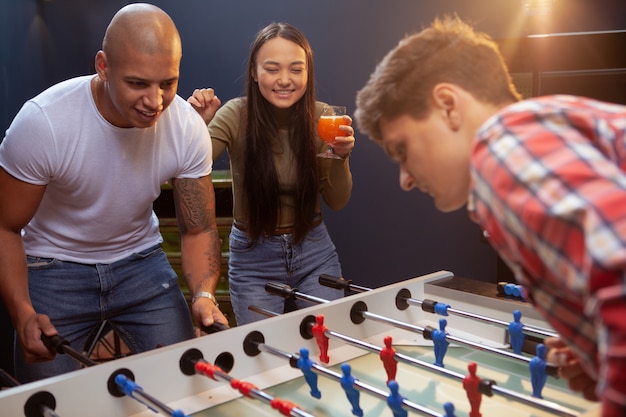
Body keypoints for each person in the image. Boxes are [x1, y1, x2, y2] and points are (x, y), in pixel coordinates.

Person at [354, 15, 626, 417]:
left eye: (402, 150)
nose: (405, 179)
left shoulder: (503, 157)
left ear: (448, 105)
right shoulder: (547, 122)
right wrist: (599, 343)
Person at [0, 3, 227, 383]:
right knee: (48, 401)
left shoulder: (186, 127)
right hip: (53, 266)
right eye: (138, 83)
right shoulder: (44, 123)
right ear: (103, 66)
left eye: (167, 84)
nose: (155, 102)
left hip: (140, 263)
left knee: (184, 382)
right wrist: (22, 312)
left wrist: (204, 294)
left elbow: (198, 229)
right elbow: (5, 227)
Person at [188, 22, 355, 325]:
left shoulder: (323, 117)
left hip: (314, 250)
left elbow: (337, 200)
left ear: (308, 72)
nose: (284, 80)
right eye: (272, 69)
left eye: (296, 69)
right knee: (262, 352)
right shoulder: (235, 115)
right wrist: (195, 126)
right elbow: (190, 164)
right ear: (254, 72)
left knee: (328, 340)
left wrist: (341, 158)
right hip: (253, 257)